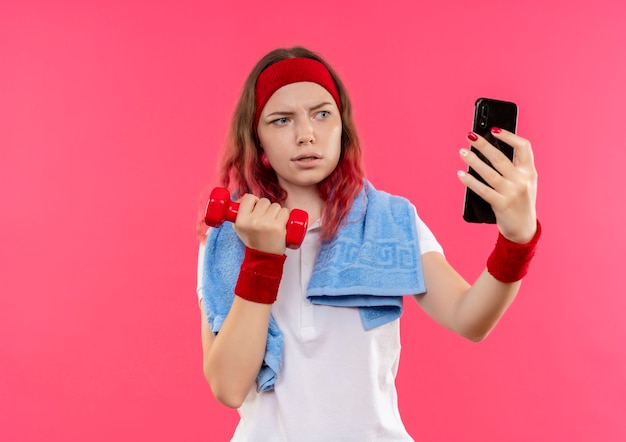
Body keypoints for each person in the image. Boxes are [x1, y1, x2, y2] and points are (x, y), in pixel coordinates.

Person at [196, 46, 540, 441]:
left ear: (342, 127)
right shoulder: (228, 235)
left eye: (322, 114)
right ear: (258, 142)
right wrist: (260, 259)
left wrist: (517, 240)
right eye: (281, 120)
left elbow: (470, 318)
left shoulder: (392, 220)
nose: (306, 133)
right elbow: (229, 387)